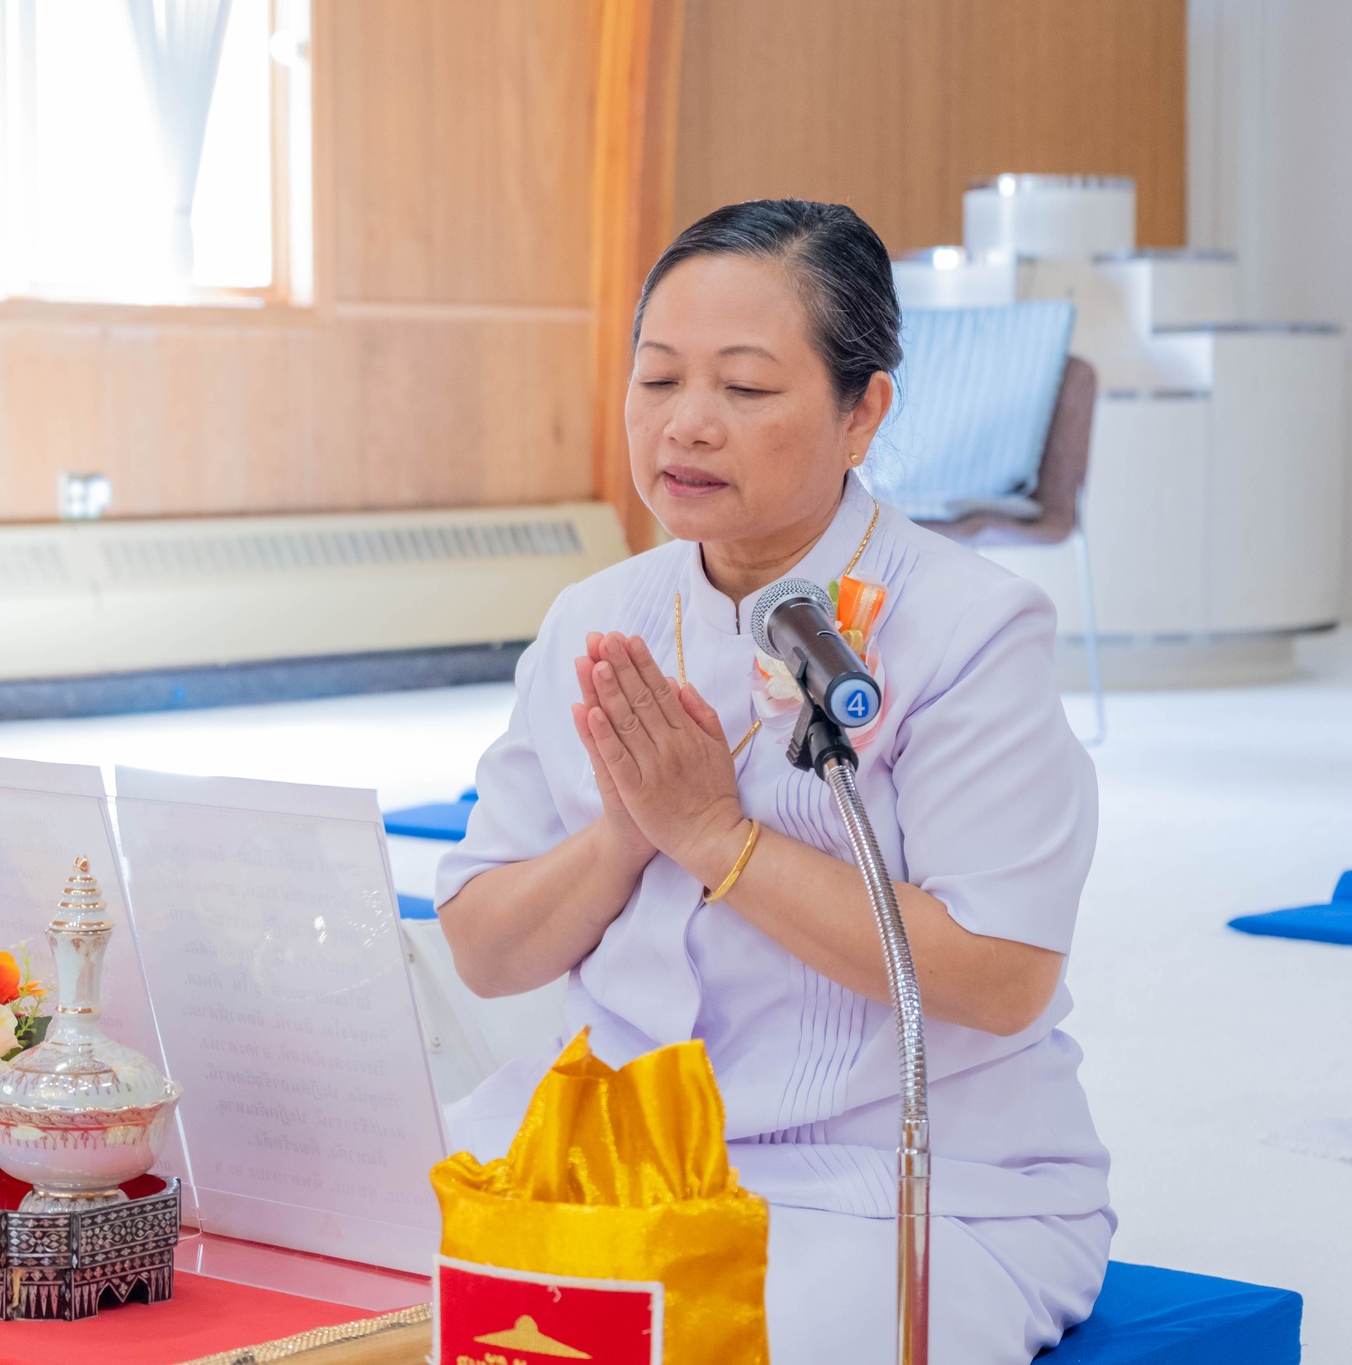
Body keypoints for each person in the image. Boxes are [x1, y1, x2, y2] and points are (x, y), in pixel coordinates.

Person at [436, 199, 1111, 1363]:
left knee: (737, 1343)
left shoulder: (966, 627)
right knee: (359, 1279)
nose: (686, 425)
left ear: (862, 414)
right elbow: (486, 952)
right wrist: (625, 838)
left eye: (744, 388)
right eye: (657, 379)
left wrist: (717, 839)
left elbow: (999, 977)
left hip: (902, 1182)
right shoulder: (595, 619)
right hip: (618, 1151)